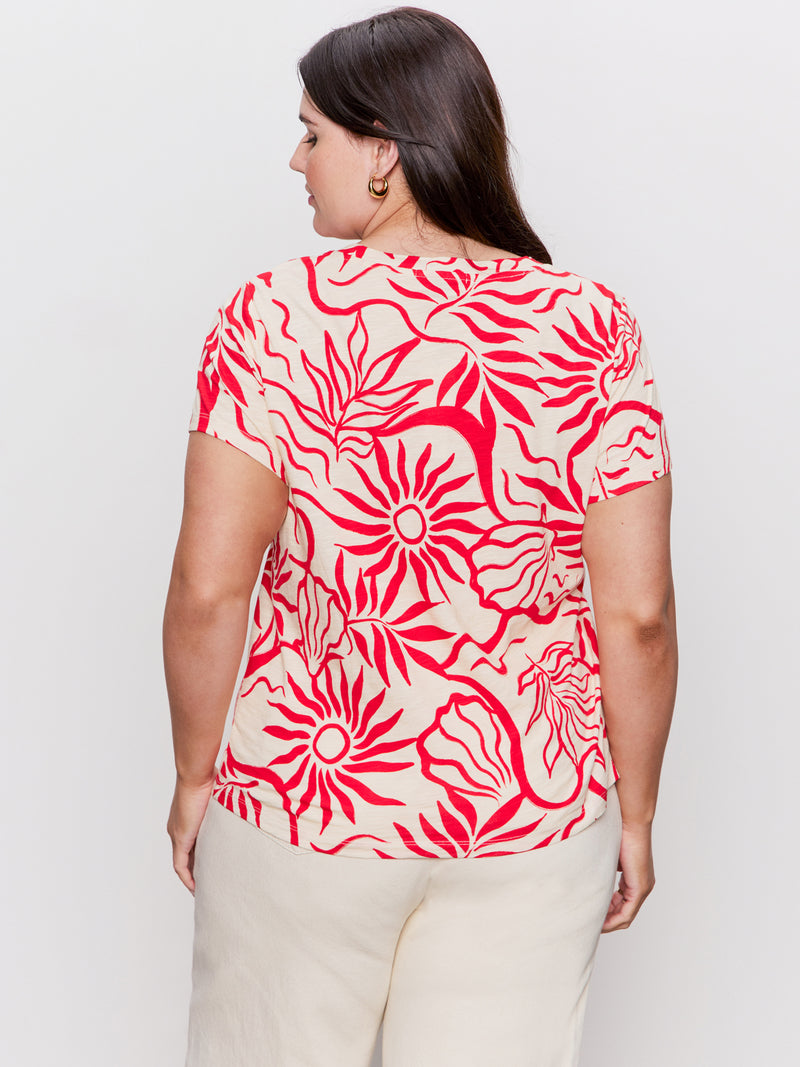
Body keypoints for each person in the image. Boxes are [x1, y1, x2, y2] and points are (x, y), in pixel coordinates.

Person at [164, 7, 678, 1065]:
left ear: (383, 152)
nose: (296, 160)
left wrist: (193, 775)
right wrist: (635, 812)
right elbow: (637, 611)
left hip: (303, 801)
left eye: (312, 133)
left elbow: (209, 587)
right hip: (529, 816)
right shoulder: (591, 325)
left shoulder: (271, 317)